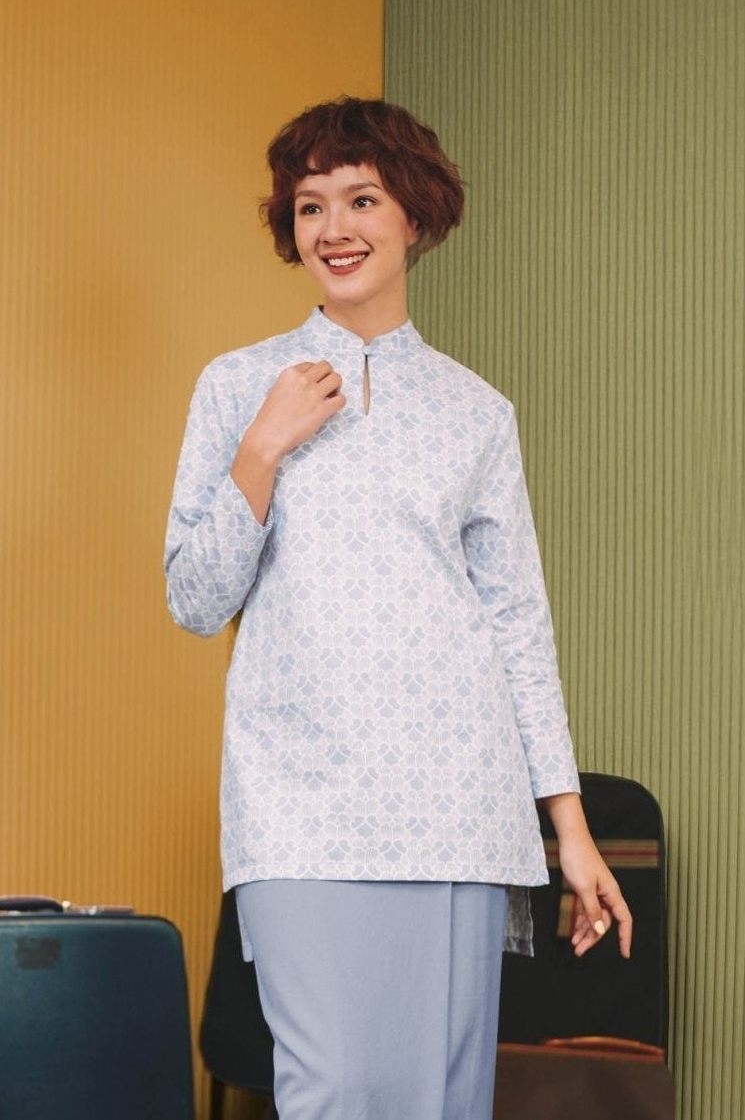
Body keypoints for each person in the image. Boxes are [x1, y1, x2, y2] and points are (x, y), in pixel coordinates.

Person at [164, 97, 632, 1120]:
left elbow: (516, 626)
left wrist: (570, 830)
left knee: (439, 1101)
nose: (333, 228)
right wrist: (263, 447)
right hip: (301, 806)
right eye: (310, 205)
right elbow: (195, 599)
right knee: (333, 1090)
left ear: (413, 216)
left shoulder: (477, 412)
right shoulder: (238, 386)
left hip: (457, 809)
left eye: (361, 199)